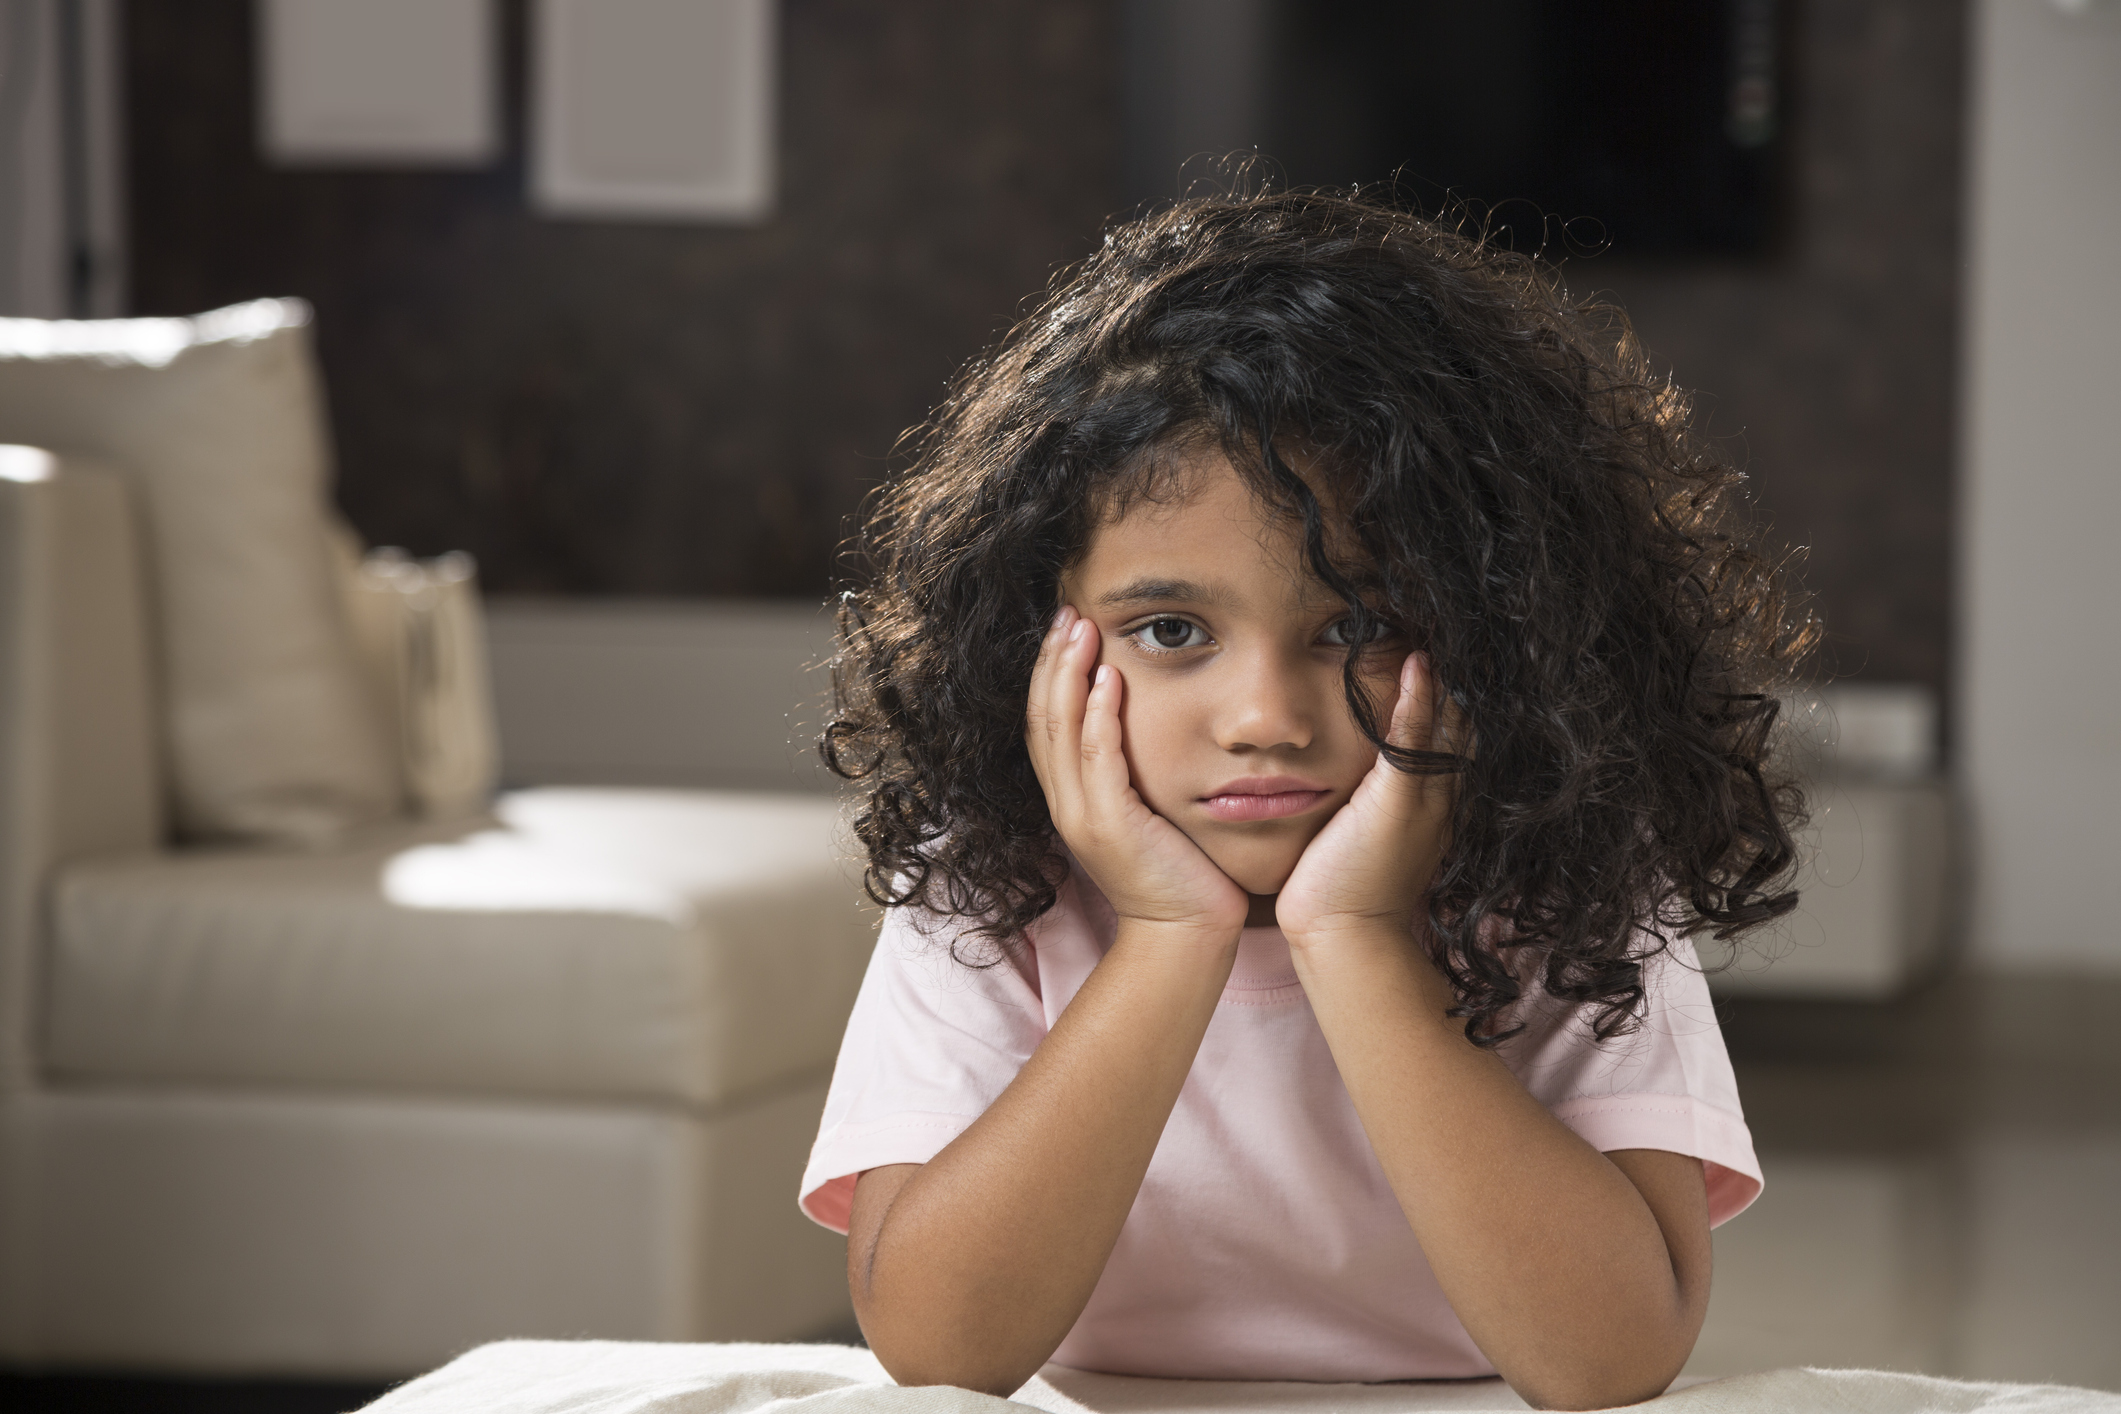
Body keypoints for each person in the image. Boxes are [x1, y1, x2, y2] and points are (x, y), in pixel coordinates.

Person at [798, 191, 1812, 1410]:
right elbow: (940, 1351)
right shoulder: (989, 879)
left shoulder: (1575, 865)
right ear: (1034, 636)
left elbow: (1612, 1360)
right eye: (1173, 630)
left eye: (1357, 627)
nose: (1267, 715)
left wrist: (1358, 937)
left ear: (1502, 626)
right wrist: (1172, 936)